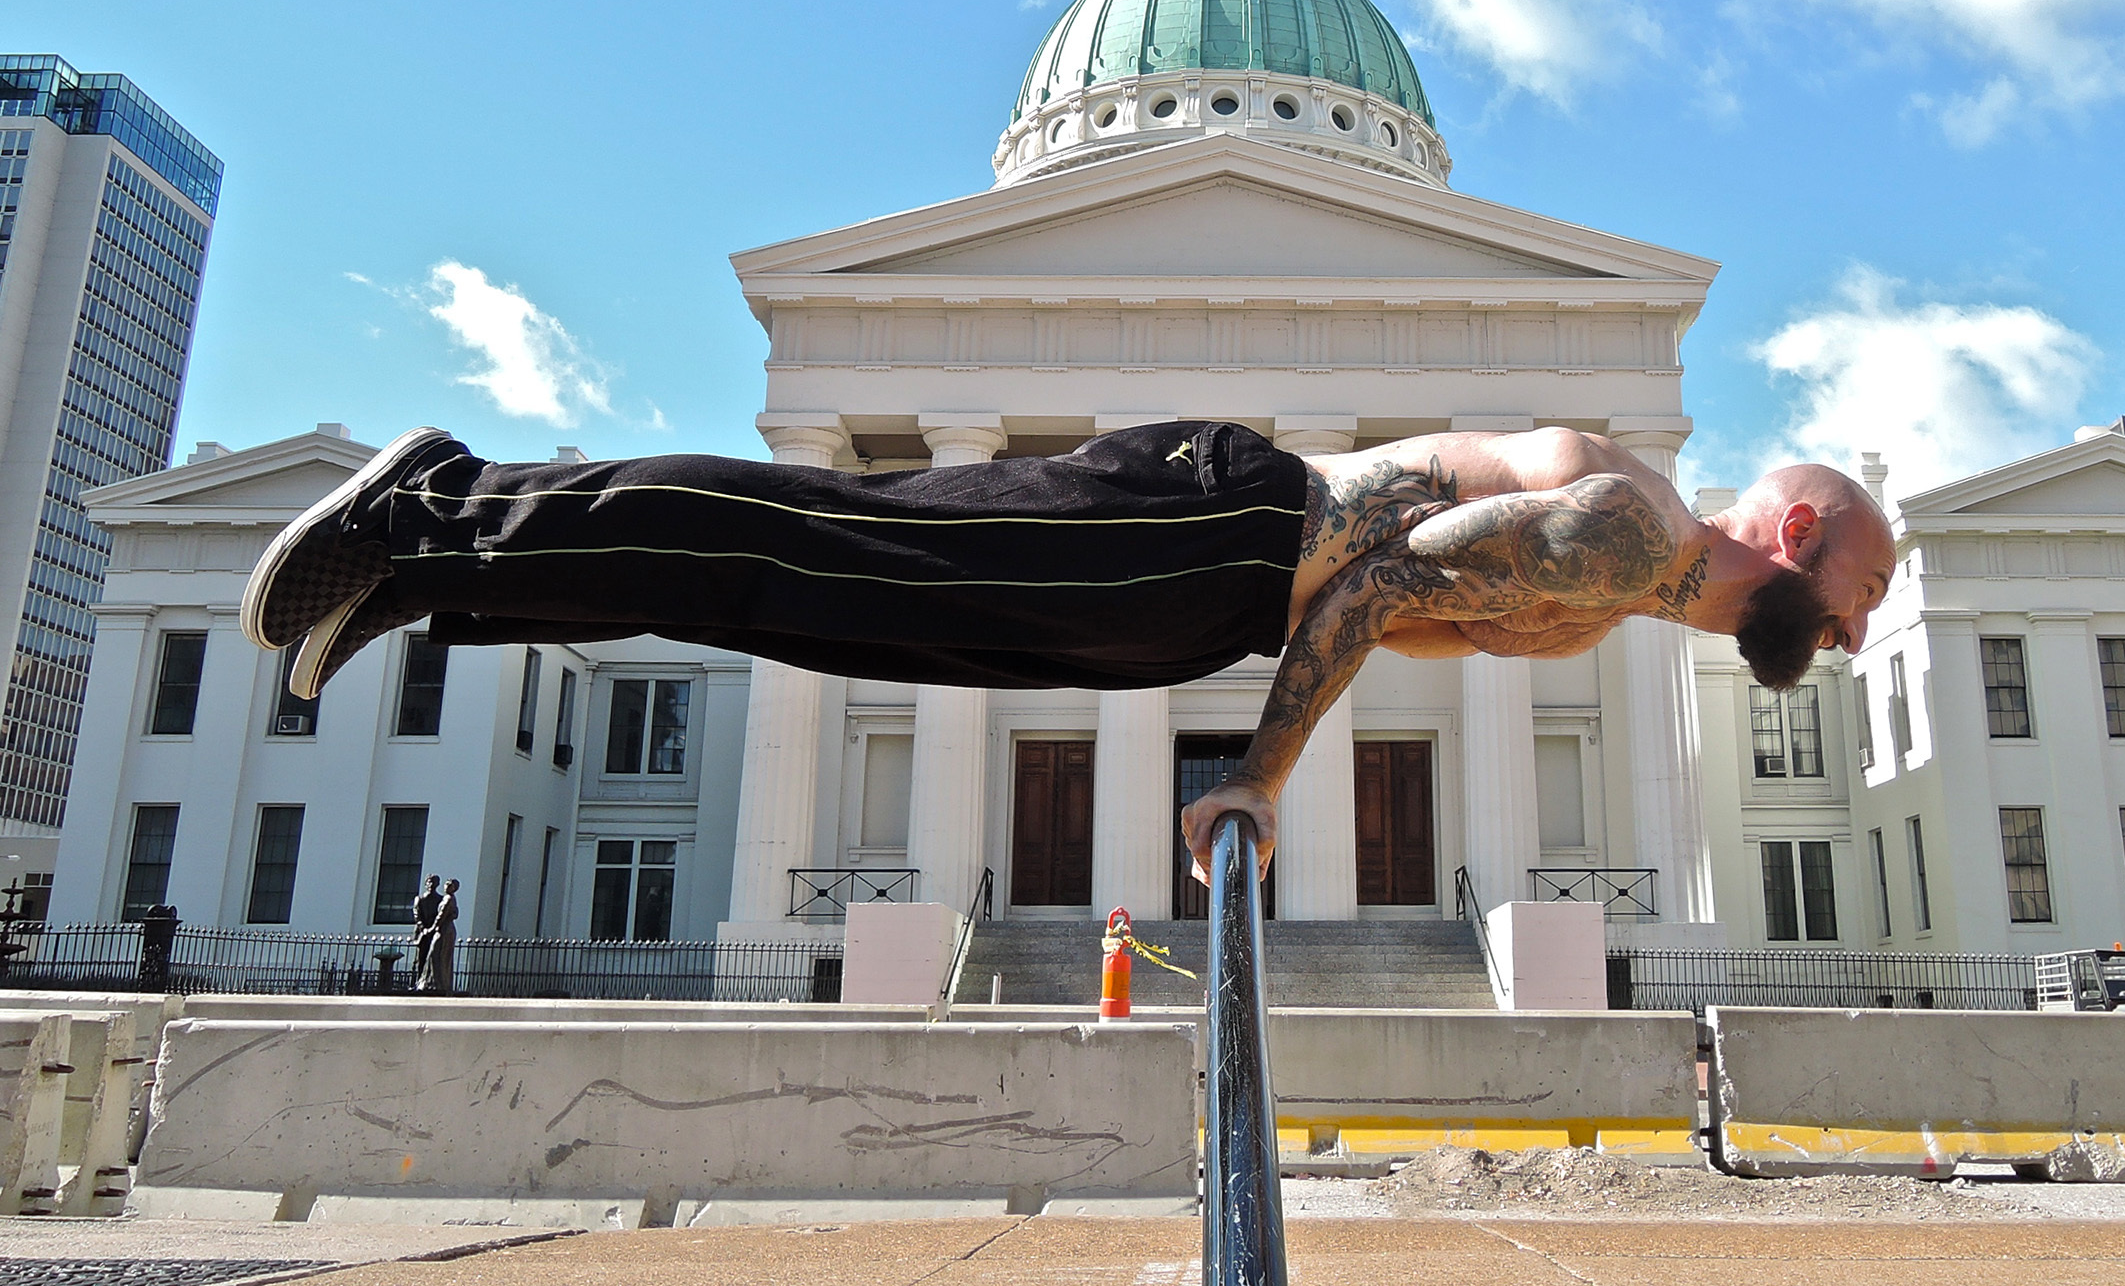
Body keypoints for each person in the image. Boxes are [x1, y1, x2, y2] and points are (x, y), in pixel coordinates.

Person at [243, 420, 1893, 881]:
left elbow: (1387, 616)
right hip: (1215, 532)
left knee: (795, 599)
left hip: (1189, 593)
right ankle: (442, 511)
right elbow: (1376, 591)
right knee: (821, 535)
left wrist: (1255, 748)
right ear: (1800, 542)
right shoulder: (1623, 524)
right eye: (1858, 604)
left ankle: (443, 577)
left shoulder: (1606, 599)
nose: (1853, 637)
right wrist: (1255, 768)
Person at [409, 874, 442, 991]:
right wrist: (423, 929)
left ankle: (431, 983)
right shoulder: (420, 899)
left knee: (434, 958)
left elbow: (440, 915)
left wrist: (433, 928)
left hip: (434, 933)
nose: (431, 884)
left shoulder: (440, 899)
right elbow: (417, 915)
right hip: (422, 934)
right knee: (420, 959)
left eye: (434, 882)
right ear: (425, 883)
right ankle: (417, 982)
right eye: (429, 882)